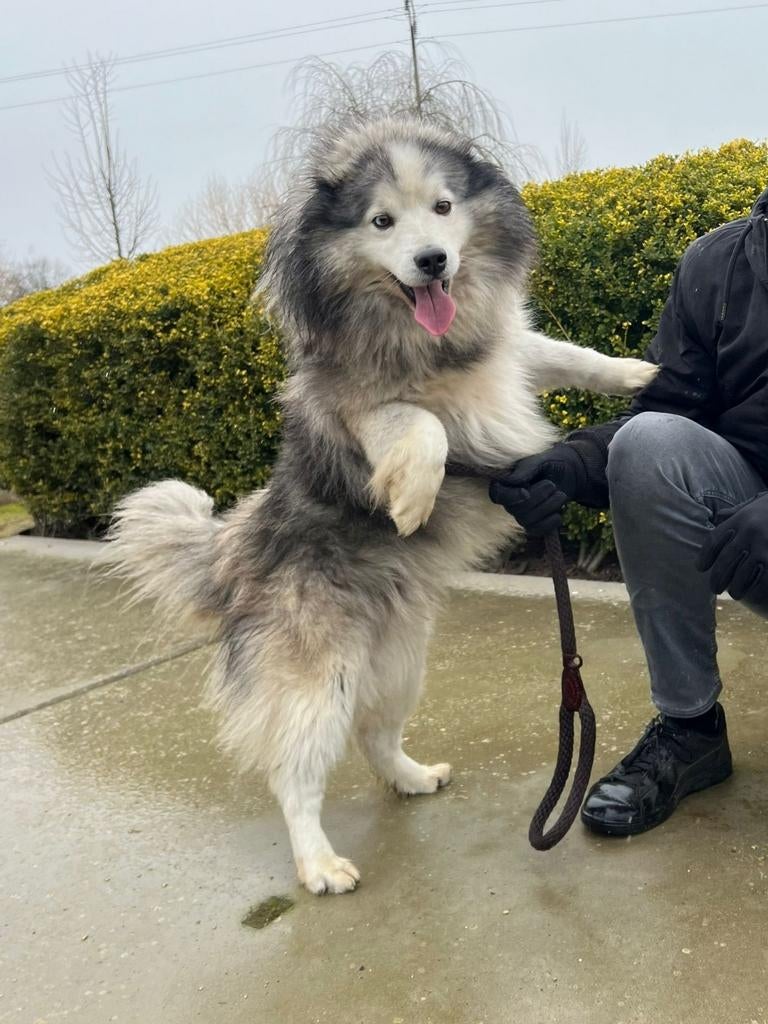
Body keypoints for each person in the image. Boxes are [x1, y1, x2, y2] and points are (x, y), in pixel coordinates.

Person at [490, 185, 768, 836]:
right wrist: (575, 463)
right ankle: (691, 728)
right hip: (753, 537)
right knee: (649, 445)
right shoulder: (718, 266)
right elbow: (668, 410)